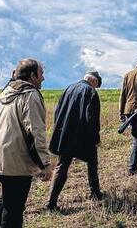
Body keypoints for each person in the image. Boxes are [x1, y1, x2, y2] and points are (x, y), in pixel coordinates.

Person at [0, 58, 52, 228]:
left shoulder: (4, 94)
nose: (43, 78)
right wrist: (45, 164)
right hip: (16, 162)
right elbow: (35, 133)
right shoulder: (30, 95)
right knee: (13, 211)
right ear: (32, 75)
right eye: (41, 74)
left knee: (8, 199)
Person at [47, 71, 103, 211]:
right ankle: (95, 193)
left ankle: (51, 202)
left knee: (62, 166)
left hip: (65, 134)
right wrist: (95, 139)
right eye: (97, 86)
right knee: (92, 163)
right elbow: (92, 120)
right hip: (82, 136)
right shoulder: (91, 92)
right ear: (94, 82)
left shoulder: (68, 88)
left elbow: (57, 111)